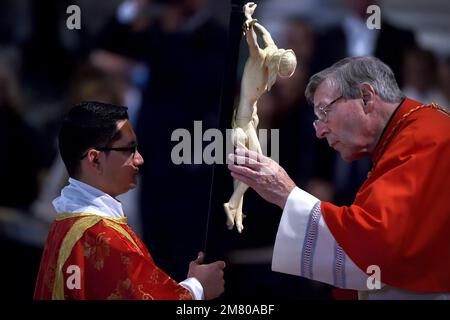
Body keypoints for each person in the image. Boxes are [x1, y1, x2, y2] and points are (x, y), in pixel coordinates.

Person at [227, 56, 450, 299]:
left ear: (366, 97)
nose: (320, 131)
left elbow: (378, 243)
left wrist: (286, 194)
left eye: (325, 111)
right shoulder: (402, 137)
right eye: (316, 120)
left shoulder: (425, 138)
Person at [34, 101, 225, 300]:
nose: (139, 159)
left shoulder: (65, 222)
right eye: (129, 149)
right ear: (95, 159)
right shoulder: (101, 236)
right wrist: (198, 288)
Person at [224, 2, 297, 233]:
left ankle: (236, 209)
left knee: (250, 169)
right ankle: (234, 204)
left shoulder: (269, 60)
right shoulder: (258, 60)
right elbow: (254, 42)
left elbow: (266, 38)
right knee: (252, 169)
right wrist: (247, 21)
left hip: (251, 121)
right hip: (243, 122)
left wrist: (253, 20)